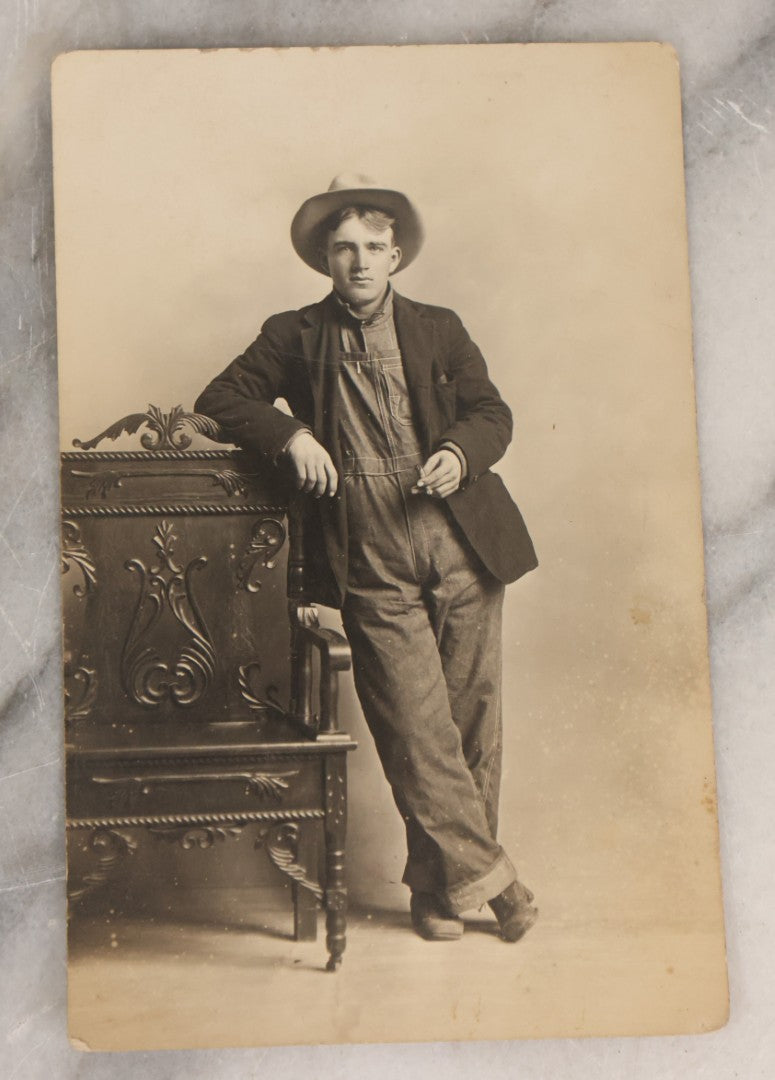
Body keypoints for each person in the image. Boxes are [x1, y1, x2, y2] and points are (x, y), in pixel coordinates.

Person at [195, 173, 539, 942]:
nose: (359, 262)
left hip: (460, 541)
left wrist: (458, 451)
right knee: (417, 731)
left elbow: (492, 413)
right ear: (324, 257)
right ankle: (499, 886)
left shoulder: (439, 326)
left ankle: (436, 889)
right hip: (368, 548)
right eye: (344, 248)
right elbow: (221, 398)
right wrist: (292, 435)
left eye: (374, 248)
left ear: (396, 256)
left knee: (471, 725)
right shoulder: (292, 334)